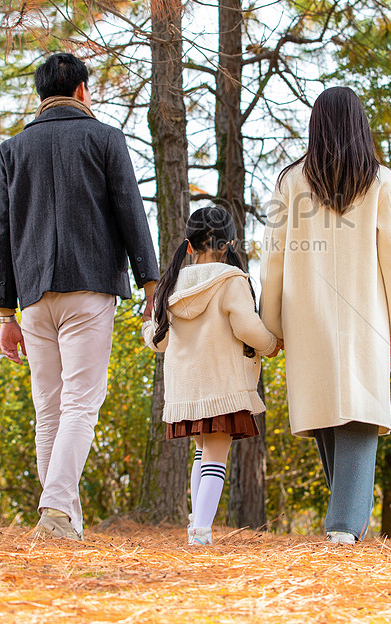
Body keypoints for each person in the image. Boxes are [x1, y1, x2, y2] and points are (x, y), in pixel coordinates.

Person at [0, 52, 159, 541]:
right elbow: (131, 211)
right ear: (82, 90)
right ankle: (56, 510)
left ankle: (65, 522)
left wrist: (6, 312)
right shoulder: (105, 138)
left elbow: (1, 235)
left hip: (33, 297)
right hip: (89, 288)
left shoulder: (13, 150)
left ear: (41, 95)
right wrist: (151, 283)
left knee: (50, 409)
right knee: (81, 406)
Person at [260, 85, 391, 544]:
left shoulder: (290, 182)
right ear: (360, 125)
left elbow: (273, 258)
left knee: (333, 409)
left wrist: (273, 325)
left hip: (308, 317)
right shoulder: (380, 181)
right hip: (368, 315)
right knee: (356, 411)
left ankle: (344, 526)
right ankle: (345, 528)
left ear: (316, 126)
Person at [142, 206, 281, 546]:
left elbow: (159, 342)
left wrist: (146, 329)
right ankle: (201, 532)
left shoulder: (171, 282)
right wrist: (271, 344)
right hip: (222, 385)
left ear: (188, 246)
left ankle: (195, 524)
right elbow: (247, 327)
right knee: (215, 459)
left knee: (202, 454)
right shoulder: (231, 280)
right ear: (229, 243)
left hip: (186, 388)